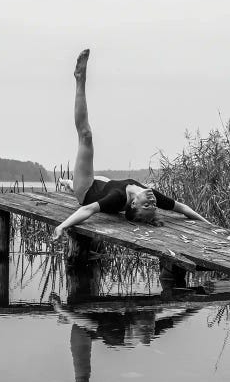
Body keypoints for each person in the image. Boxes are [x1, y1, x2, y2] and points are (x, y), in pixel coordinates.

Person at [52, 49, 209, 241]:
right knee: (91, 179)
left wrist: (62, 226)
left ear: (134, 204)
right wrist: (208, 225)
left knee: (86, 136)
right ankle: (66, 182)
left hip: (86, 190)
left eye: (147, 205)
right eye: (153, 206)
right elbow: (183, 209)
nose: (152, 202)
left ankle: (79, 79)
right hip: (104, 183)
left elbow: (87, 209)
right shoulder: (147, 194)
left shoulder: (117, 198)